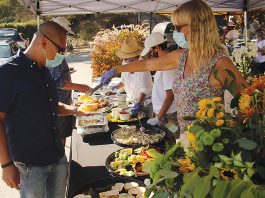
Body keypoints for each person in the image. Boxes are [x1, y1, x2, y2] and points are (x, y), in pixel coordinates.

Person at [100, 0, 246, 136]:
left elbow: (248, 102)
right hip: (186, 142)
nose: (175, 32)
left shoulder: (219, 63)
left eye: (178, 27)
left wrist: (231, 132)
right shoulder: (182, 56)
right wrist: (116, 69)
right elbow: (146, 64)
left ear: (196, 26)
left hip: (210, 147)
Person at [0, 21, 87, 198]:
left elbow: (51, 106)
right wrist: (6, 164)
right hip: (31, 165)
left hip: (57, 156)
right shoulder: (8, 72)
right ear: (45, 42)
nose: (62, 55)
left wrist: (75, 110)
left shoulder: (44, 71)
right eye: (61, 50)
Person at [50, 16, 92, 144]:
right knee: (59, 139)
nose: (66, 38)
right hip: (59, 104)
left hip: (59, 104)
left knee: (59, 137)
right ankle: (61, 161)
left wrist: (67, 72)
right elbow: (58, 82)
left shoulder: (53, 54)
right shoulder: (54, 55)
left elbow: (54, 76)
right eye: (65, 34)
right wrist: (82, 87)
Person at [140, 32, 178, 129]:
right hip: (163, 114)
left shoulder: (168, 66)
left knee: (174, 138)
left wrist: (158, 118)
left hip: (169, 116)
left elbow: (170, 96)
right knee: (164, 138)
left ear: (157, 48)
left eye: (150, 52)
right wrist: (153, 99)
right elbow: (161, 87)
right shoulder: (163, 63)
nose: (150, 56)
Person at [112, 37, 153, 117]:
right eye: (125, 58)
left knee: (145, 123)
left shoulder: (143, 66)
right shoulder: (125, 62)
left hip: (145, 101)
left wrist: (138, 103)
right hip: (131, 101)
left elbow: (144, 89)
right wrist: (116, 87)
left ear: (136, 56)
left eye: (129, 58)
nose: (126, 60)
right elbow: (124, 81)